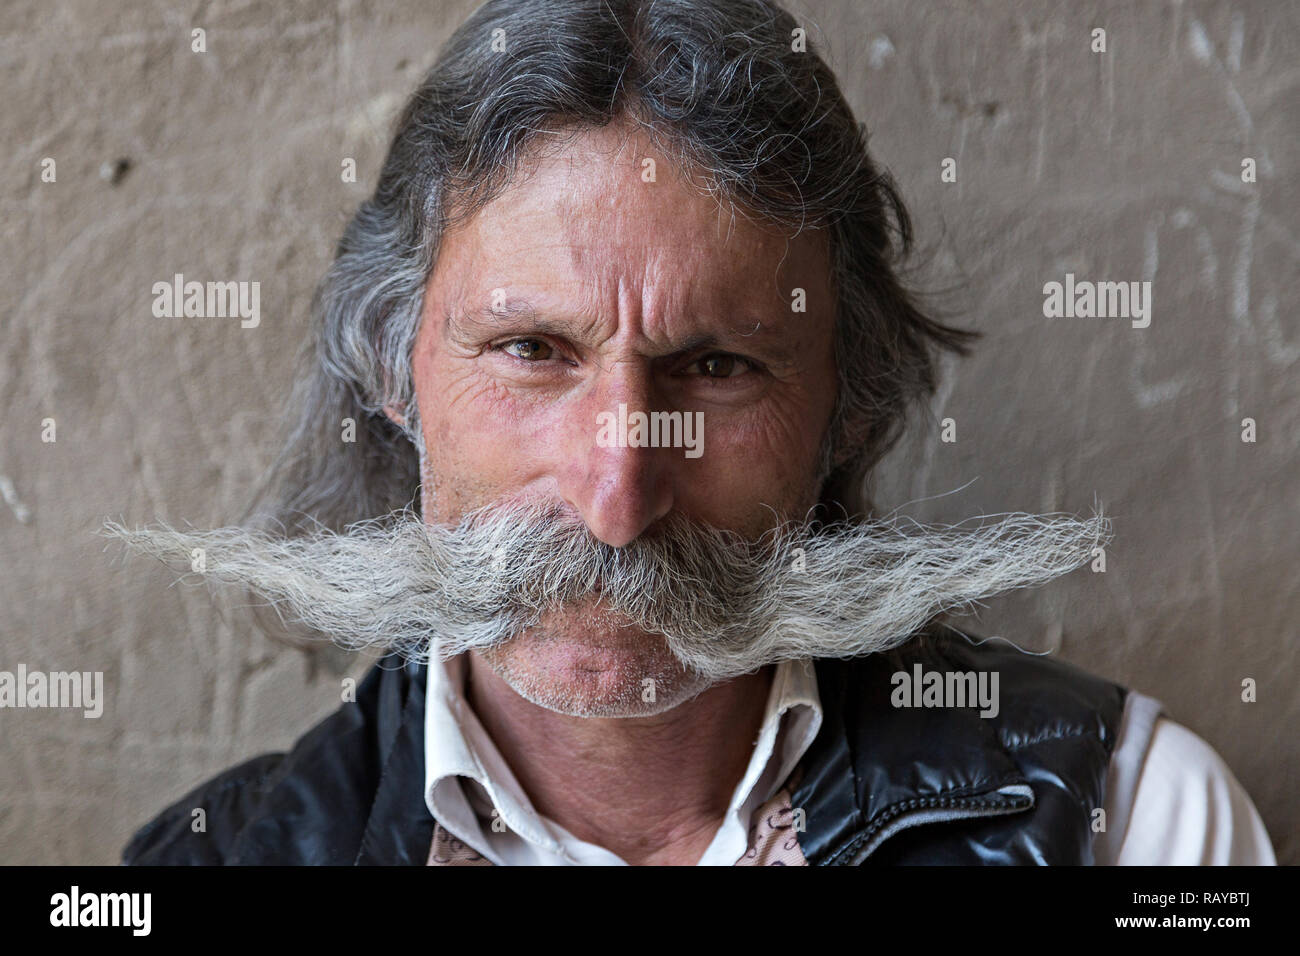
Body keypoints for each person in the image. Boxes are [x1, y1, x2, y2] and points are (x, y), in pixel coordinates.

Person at [113, 0, 1274, 866]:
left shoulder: (1131, 825)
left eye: (716, 366)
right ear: (391, 373)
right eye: (532, 351)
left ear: (848, 398)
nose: (617, 497)